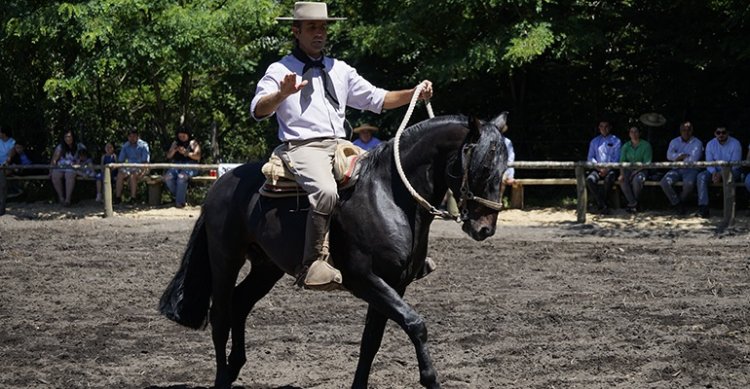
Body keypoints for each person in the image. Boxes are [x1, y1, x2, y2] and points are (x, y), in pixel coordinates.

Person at [250, 1, 433, 290]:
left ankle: (399, 253)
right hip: (302, 146)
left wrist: (413, 93)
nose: (319, 33)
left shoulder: (340, 69)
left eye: (322, 27)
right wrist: (281, 94)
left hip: (340, 146)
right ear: (296, 31)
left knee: (385, 178)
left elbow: (378, 99)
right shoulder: (279, 69)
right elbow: (259, 110)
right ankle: (313, 263)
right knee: (325, 191)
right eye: (312, 27)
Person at [696, 126, 742, 218]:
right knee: (701, 177)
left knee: (729, 177)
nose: (721, 135)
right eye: (718, 132)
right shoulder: (710, 144)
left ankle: (729, 209)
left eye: (723, 132)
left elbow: (736, 164)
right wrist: (714, 173)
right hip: (714, 171)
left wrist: (721, 174)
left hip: (731, 170)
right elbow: (709, 162)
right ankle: (703, 208)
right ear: (715, 133)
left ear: (728, 133)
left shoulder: (735, 143)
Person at [660, 121, 703, 214]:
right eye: (683, 130)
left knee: (689, 185)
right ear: (680, 131)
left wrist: (676, 158)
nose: (686, 132)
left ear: (692, 131)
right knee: (664, 182)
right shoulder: (674, 141)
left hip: (691, 169)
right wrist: (681, 156)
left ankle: (678, 203)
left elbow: (694, 159)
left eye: (688, 130)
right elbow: (668, 155)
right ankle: (677, 204)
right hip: (676, 169)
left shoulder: (697, 143)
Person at [585, 121, 621, 214]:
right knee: (590, 179)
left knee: (609, 179)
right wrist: (598, 168)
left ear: (610, 127)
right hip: (597, 169)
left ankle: (600, 204)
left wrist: (607, 169)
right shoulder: (594, 141)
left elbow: (616, 158)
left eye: (606, 126)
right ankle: (603, 204)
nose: (604, 128)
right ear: (599, 128)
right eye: (601, 126)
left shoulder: (616, 141)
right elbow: (590, 157)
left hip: (611, 169)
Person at [163, 126, 201, 208]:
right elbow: (168, 156)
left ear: (188, 135)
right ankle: (180, 197)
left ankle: (179, 203)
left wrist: (186, 153)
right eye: (180, 136)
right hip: (177, 165)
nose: (182, 138)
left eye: (184, 136)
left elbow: (198, 156)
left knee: (181, 177)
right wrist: (174, 150)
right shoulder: (175, 143)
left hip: (191, 165)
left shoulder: (193, 143)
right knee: (167, 177)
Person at [618, 126, 652, 213]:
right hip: (628, 169)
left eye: (636, 131)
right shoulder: (626, 146)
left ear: (639, 133)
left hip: (641, 169)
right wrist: (621, 174)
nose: (634, 134)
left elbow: (647, 163)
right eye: (631, 132)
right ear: (629, 134)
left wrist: (635, 172)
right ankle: (634, 203)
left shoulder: (646, 145)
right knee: (622, 180)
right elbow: (622, 162)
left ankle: (633, 204)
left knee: (637, 180)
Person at [50, 130, 87, 206]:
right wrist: (50, 171)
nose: (68, 138)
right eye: (66, 137)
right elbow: (54, 160)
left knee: (69, 174)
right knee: (55, 175)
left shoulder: (80, 146)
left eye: (69, 136)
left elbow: (85, 159)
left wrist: (78, 164)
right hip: (62, 166)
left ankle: (68, 199)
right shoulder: (60, 147)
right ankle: (61, 198)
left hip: (74, 167)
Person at [116, 128, 150, 203]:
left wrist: (143, 173)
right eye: (130, 136)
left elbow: (145, 162)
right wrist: (122, 170)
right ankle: (118, 197)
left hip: (141, 167)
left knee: (133, 176)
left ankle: (133, 198)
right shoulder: (125, 146)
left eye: (134, 136)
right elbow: (121, 160)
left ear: (138, 137)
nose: (132, 138)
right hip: (129, 167)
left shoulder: (144, 145)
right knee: (120, 174)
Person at [0, 125, 17, 216]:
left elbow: (10, 157)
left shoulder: (12, 142)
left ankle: (1, 206)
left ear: (4, 133)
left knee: (2, 174)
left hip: (7, 166)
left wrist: (4, 163)